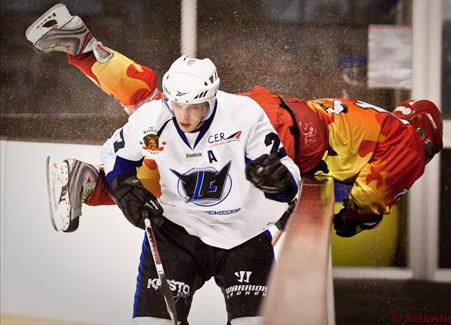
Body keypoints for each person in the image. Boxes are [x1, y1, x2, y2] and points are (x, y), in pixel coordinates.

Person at [29, 4, 442, 239]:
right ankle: (95, 184)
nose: (420, 161)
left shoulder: (379, 120)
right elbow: (372, 197)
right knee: (186, 179)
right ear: (426, 135)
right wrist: (349, 220)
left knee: (162, 115)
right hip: (286, 135)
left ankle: (83, 49)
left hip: (276, 115)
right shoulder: (408, 140)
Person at [28, 5, 301, 325]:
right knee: (145, 112)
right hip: (177, 229)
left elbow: (290, 179)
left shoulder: (247, 115)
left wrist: (282, 180)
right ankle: (96, 178)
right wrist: (121, 184)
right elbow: (123, 155)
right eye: (177, 105)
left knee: (144, 100)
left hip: (239, 230)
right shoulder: (162, 114)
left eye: (194, 107)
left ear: (212, 98)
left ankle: (91, 180)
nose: (184, 116)